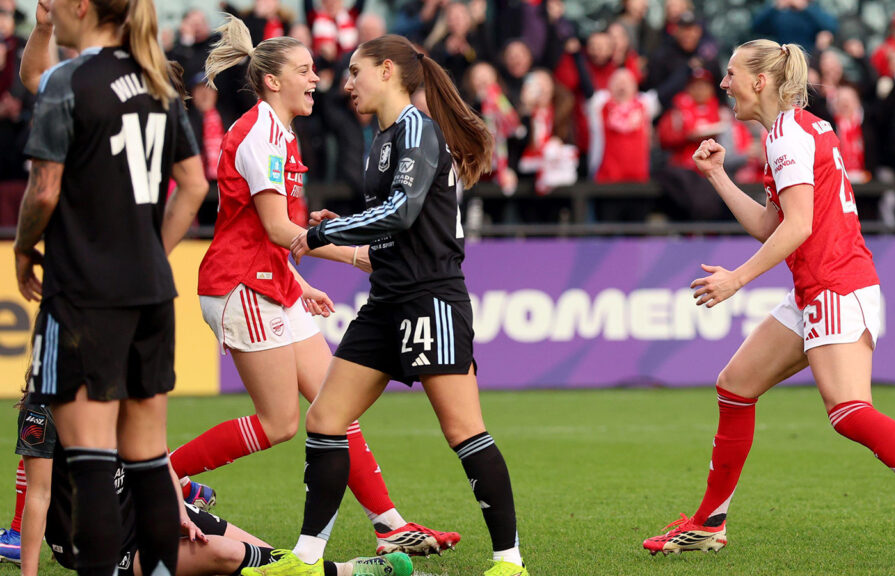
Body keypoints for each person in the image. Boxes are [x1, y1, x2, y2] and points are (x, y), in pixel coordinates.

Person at [640, 39, 895, 567]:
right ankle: (708, 525)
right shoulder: (799, 128)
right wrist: (718, 177)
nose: (723, 83)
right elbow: (773, 226)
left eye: (731, 74)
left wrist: (738, 280)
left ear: (759, 81)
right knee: (735, 386)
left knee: (848, 411)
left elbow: (798, 227)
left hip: (836, 285)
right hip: (818, 286)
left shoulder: (786, 136)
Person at [174, 14, 459, 557]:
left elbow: (270, 233)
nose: (318, 79)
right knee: (280, 421)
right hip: (240, 286)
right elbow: (280, 229)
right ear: (273, 80)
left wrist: (299, 279)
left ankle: (390, 523)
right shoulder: (261, 132)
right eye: (305, 70)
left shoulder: (281, 131)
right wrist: (357, 256)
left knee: (333, 405)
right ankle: (159, 474)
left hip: (271, 280)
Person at [258, 34, 528, 576]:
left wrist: (320, 238)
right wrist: (340, 234)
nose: (346, 83)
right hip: (388, 299)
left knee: (464, 431)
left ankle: (509, 562)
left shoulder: (417, 131)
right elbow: (390, 228)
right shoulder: (380, 138)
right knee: (326, 419)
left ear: (387, 71)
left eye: (355, 72)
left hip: (432, 298)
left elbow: (402, 213)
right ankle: (306, 557)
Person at [12, 1, 209, 576]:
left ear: (82, 7)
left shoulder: (70, 81)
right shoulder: (156, 81)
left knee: (93, 460)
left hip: (82, 297)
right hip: (151, 293)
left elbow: (44, 192)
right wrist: (151, 251)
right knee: (148, 459)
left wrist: (25, 248)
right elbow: (194, 185)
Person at [11, 401, 412, 576]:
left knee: (275, 560)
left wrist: (182, 512)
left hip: (144, 515)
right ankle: (348, 571)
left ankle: (338, 573)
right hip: (99, 549)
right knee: (225, 554)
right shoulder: (41, 413)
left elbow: (155, 458)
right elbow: (40, 497)